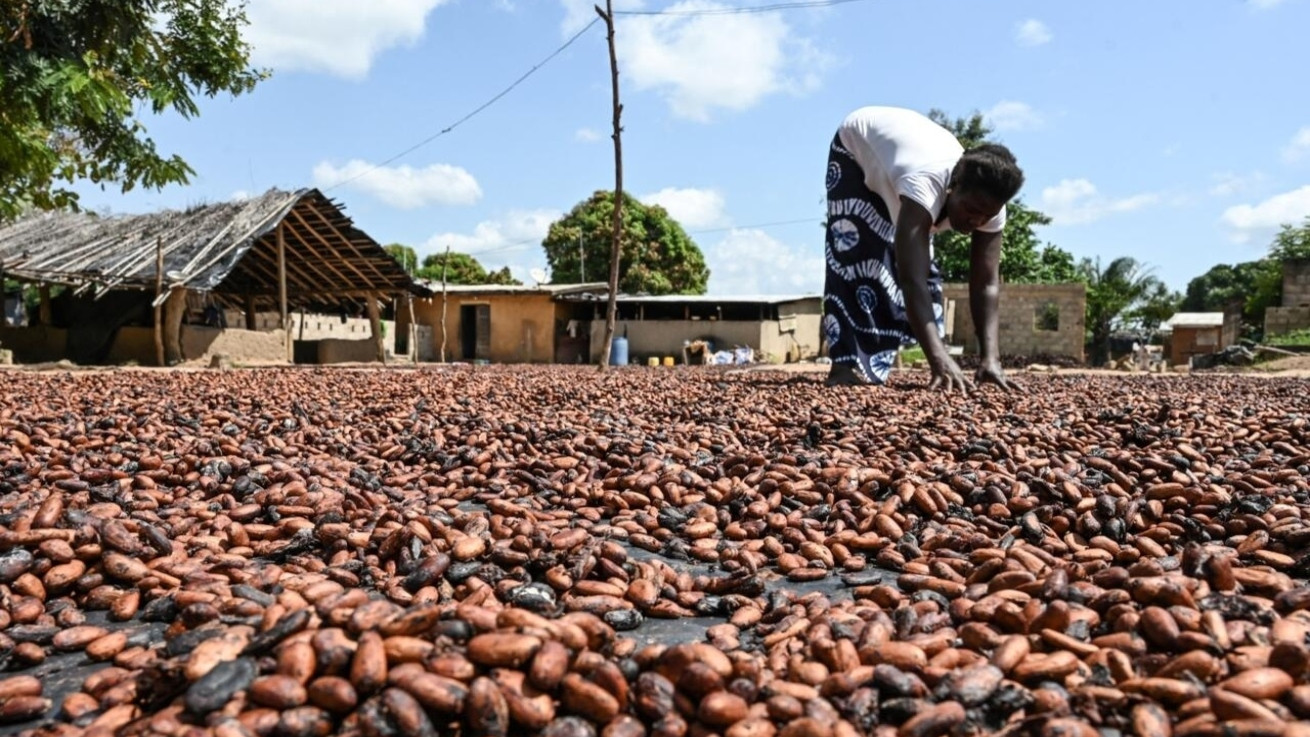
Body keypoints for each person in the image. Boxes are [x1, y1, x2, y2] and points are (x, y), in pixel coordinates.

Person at [822, 105, 1025, 392]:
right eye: (970, 209)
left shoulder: (991, 208)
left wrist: (990, 358)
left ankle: (902, 361)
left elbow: (986, 284)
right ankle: (843, 366)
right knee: (856, 253)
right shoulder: (925, 183)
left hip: (905, 161)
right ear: (953, 186)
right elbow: (910, 278)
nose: (977, 221)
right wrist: (939, 358)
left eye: (986, 215)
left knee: (923, 267)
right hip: (856, 148)